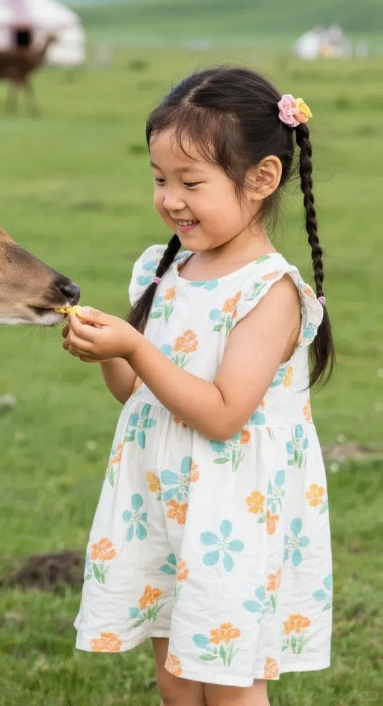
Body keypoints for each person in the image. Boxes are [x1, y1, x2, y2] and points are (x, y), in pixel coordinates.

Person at [63, 67, 334, 706]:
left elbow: (221, 415)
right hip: (160, 499)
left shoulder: (269, 292)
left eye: (191, 182)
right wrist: (109, 353)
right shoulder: (163, 271)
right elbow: (137, 394)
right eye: (160, 179)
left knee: (230, 681)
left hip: (232, 512)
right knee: (176, 676)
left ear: (261, 179)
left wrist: (134, 345)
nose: (170, 199)